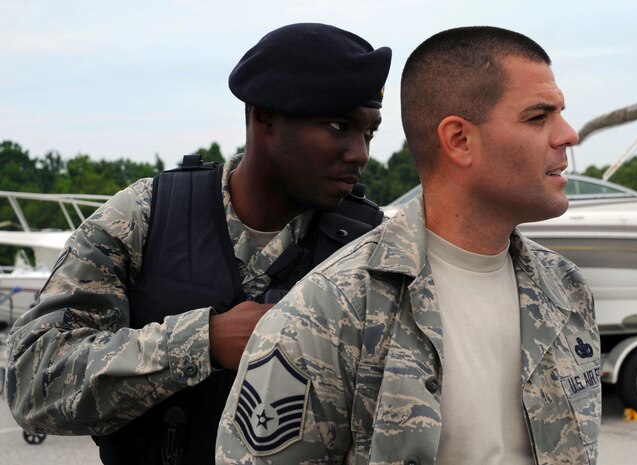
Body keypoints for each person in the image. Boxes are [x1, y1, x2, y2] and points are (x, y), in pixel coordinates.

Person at [5, 23, 391, 465]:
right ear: (264, 116)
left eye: (369, 133)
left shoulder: (372, 250)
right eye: (339, 126)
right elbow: (31, 382)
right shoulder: (144, 218)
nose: (360, 153)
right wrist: (202, 342)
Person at [216, 26, 601, 465]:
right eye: (538, 117)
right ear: (459, 140)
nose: (568, 134)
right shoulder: (331, 310)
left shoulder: (566, 291)